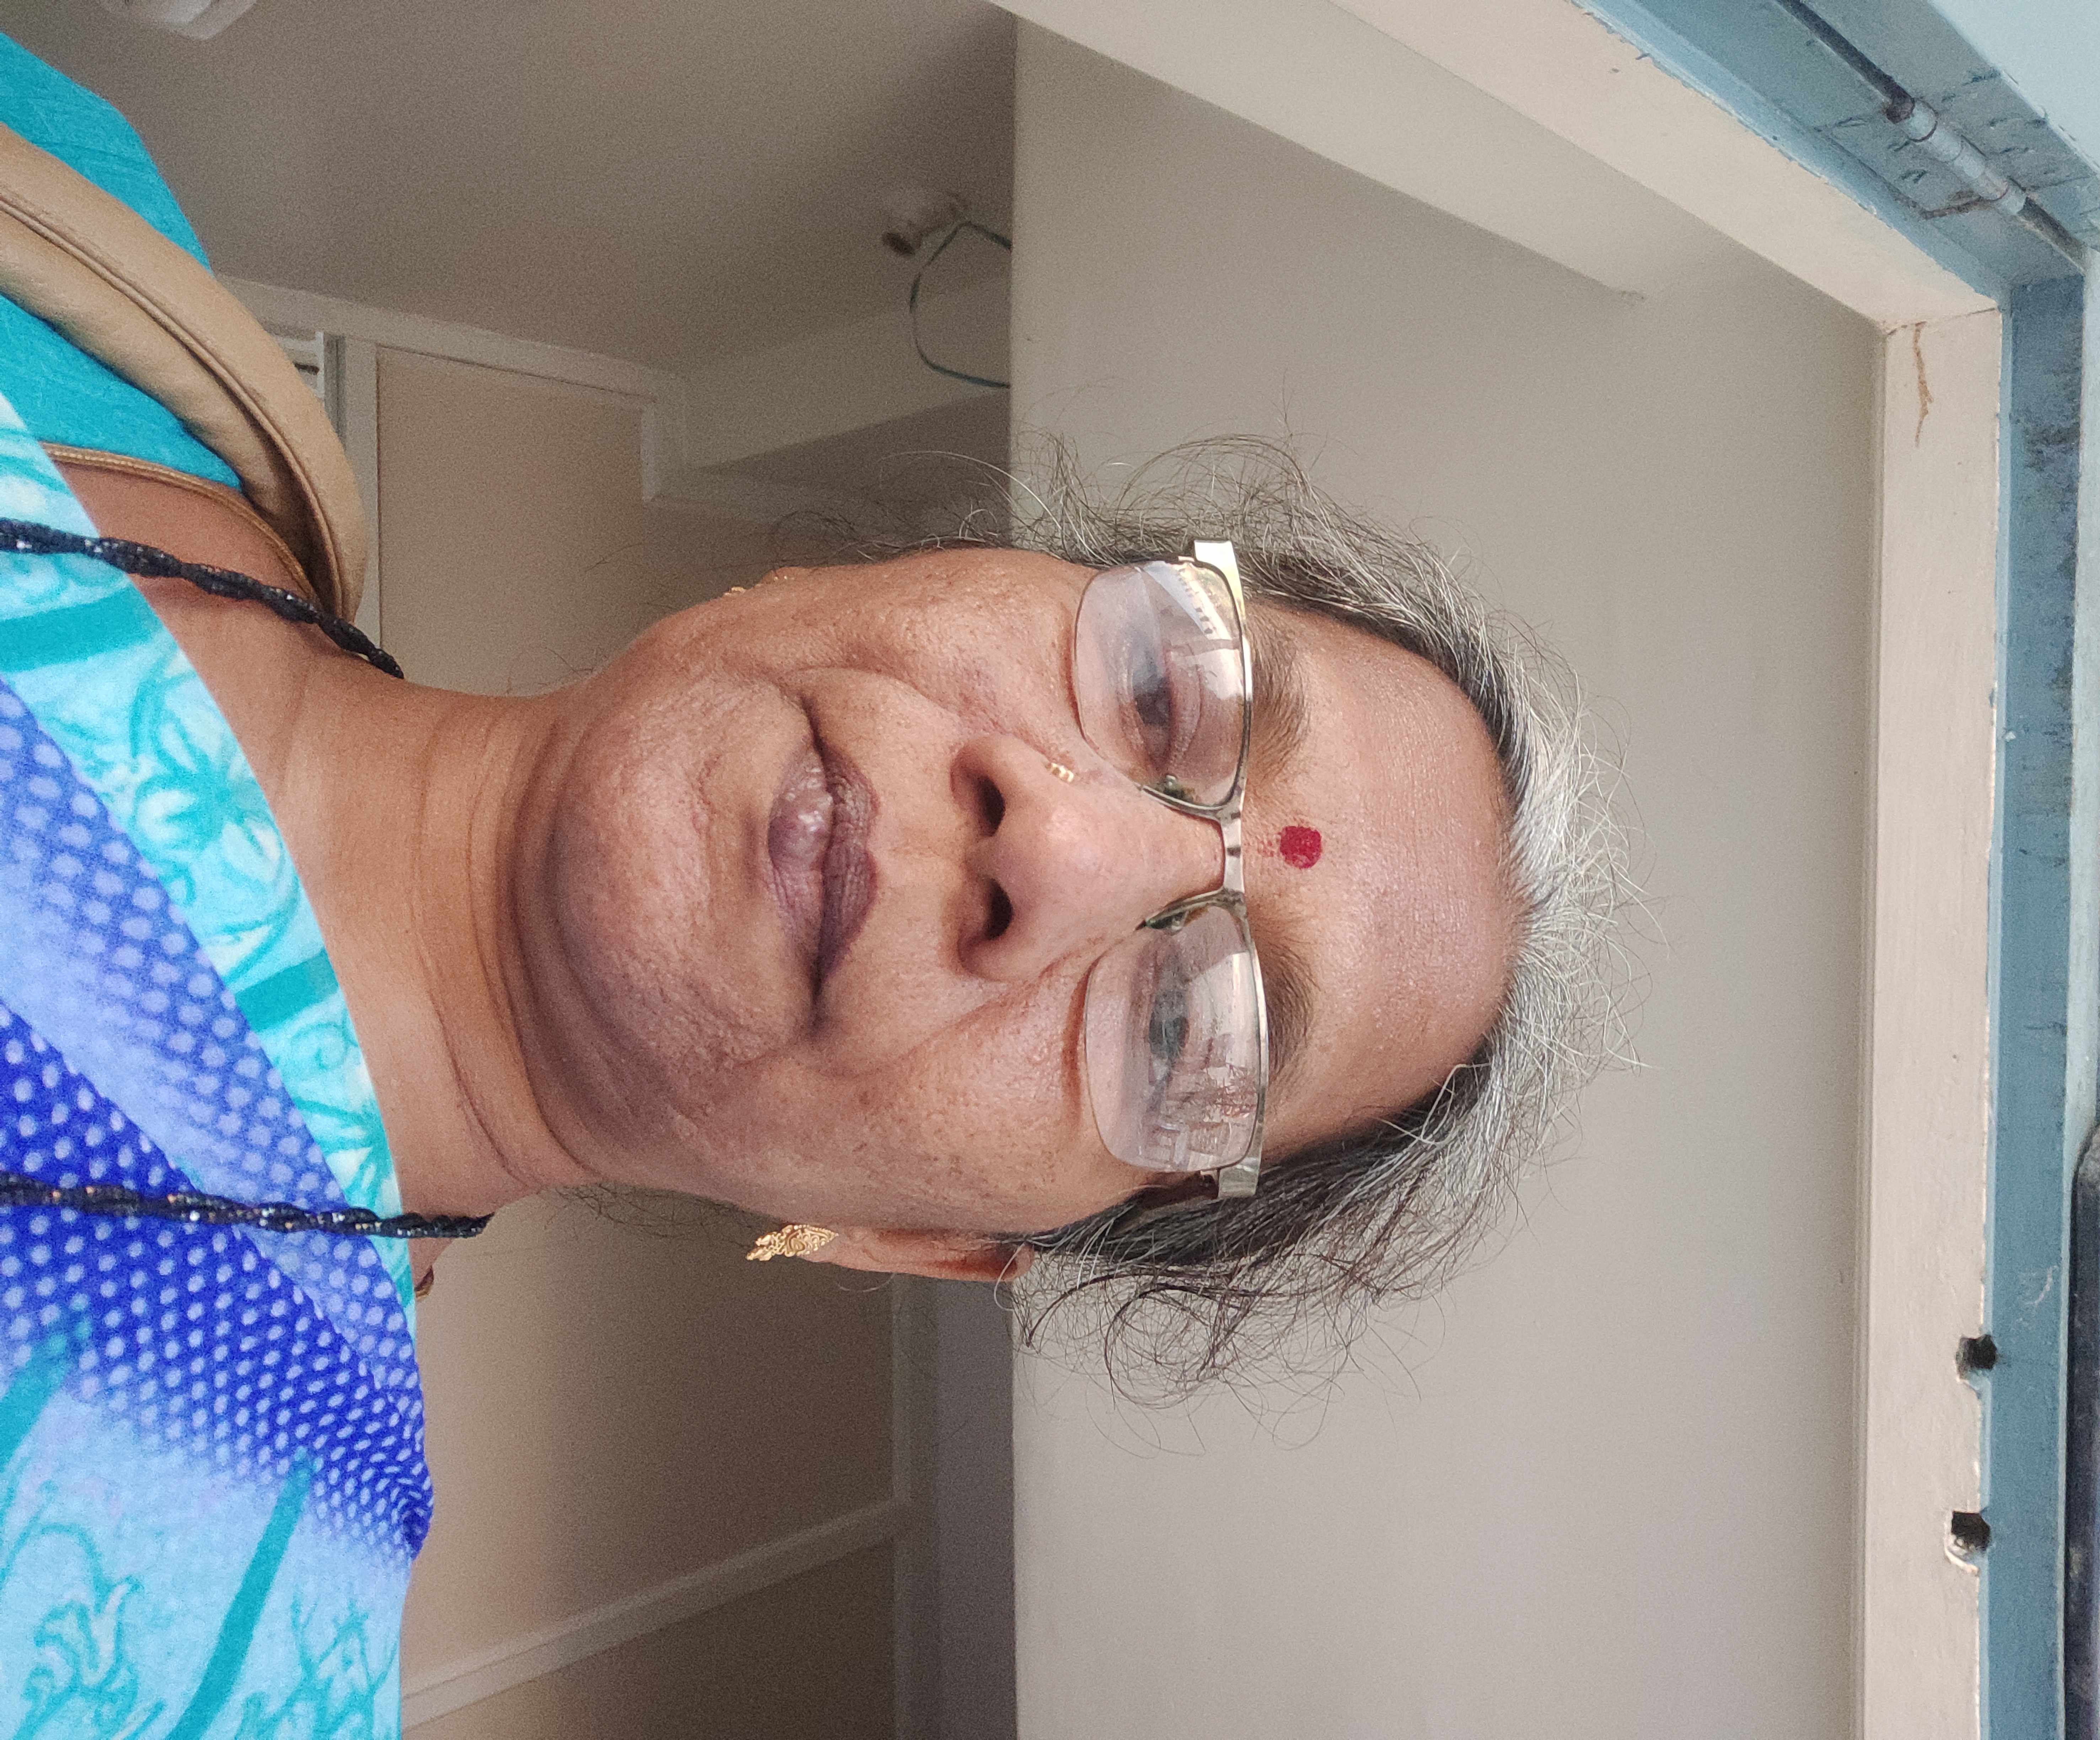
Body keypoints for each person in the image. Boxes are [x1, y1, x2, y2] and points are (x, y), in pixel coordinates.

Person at [0, 27, 1617, 1735]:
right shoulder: (88, 233)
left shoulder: (195, 1649)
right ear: (905, 570)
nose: (1061, 846)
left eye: (1189, 1038)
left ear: (933, 1245)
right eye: (1166, 690)